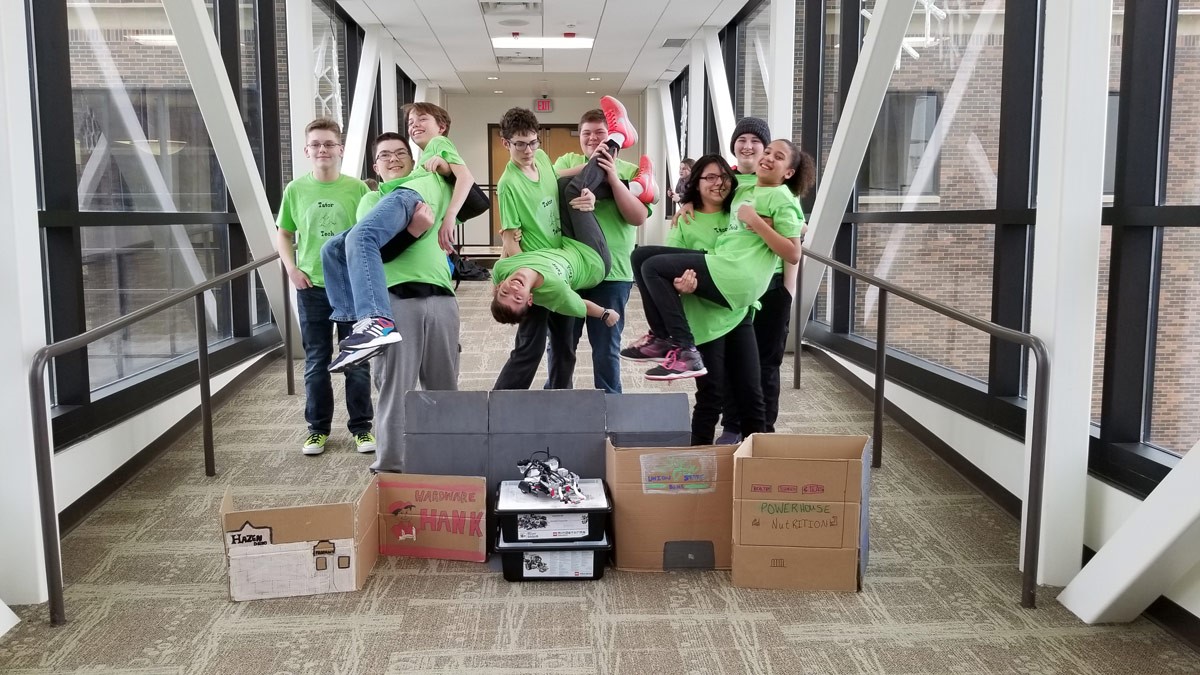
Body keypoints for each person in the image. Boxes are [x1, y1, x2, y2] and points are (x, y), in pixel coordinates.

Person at [621, 139, 812, 381]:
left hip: (736, 273)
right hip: (724, 260)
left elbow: (793, 252)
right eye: (769, 151)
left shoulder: (782, 196)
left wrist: (755, 221)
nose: (769, 157)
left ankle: (684, 347)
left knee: (653, 267)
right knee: (640, 256)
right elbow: (719, 193)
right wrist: (689, 201)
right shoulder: (746, 189)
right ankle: (661, 337)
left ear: (789, 172)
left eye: (779, 157)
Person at [319, 102, 475, 369]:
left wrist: (449, 208)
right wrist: (415, 228)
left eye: (421, 119)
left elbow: (468, 182)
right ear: (375, 166)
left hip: (411, 199)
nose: (414, 124)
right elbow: (381, 253)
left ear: (442, 127)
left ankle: (375, 322)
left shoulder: (439, 147)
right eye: (411, 122)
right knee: (332, 249)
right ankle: (359, 323)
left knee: (360, 237)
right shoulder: (378, 194)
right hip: (398, 285)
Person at [348, 132, 461, 473]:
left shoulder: (428, 191)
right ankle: (391, 470)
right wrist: (414, 230)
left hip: (442, 299)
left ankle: (446, 463)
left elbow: (471, 193)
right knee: (396, 391)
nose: (394, 159)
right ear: (376, 167)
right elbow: (373, 253)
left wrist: (444, 165)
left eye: (401, 153)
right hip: (398, 301)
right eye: (385, 155)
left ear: (413, 163)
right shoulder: (373, 201)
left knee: (445, 390)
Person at [491, 96, 640, 327]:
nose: (528, 150)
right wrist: (522, 273)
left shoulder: (540, 157)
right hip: (567, 259)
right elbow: (511, 241)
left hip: (565, 245)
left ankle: (636, 184)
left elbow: (560, 175)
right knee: (573, 191)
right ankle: (618, 137)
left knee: (566, 186)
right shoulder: (508, 184)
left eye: (533, 142)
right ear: (506, 143)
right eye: (520, 144)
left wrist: (596, 159)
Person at [275, 118, 374, 456]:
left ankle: (362, 428)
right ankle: (317, 429)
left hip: (350, 287)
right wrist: (291, 269)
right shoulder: (295, 190)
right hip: (311, 287)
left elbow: (367, 236)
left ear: (340, 149)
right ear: (306, 151)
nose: (322, 149)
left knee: (357, 360)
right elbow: (285, 234)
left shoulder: (358, 190)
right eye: (316, 144)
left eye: (329, 144)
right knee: (317, 360)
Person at [547, 108, 656, 393]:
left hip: (614, 272)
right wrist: (589, 173)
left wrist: (615, 181)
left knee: (606, 350)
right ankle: (557, 404)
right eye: (587, 134)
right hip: (571, 268)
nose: (594, 139)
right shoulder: (569, 161)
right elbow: (548, 180)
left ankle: (610, 410)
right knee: (560, 347)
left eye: (602, 134)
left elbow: (638, 217)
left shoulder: (630, 169)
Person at [662, 154, 766, 444]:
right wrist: (681, 284)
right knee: (711, 395)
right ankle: (698, 467)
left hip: (737, 311)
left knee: (751, 392)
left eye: (723, 177)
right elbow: (668, 264)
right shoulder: (685, 219)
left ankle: (762, 465)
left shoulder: (737, 211)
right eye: (709, 177)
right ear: (696, 182)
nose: (718, 183)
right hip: (704, 318)